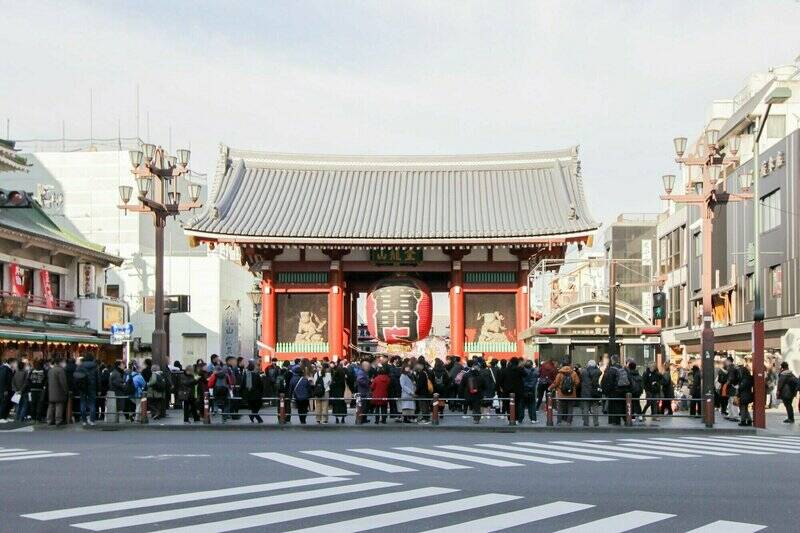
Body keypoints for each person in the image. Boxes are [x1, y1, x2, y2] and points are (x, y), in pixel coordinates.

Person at [549, 360, 579, 425]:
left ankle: (559, 421)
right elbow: (577, 382)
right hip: (571, 394)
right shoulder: (573, 373)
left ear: (562, 365)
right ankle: (569, 422)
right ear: (569, 365)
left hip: (561, 394)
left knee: (560, 408)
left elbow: (556, 383)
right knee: (570, 408)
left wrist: (550, 388)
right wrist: (573, 387)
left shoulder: (560, 373)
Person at [602, 356, 628, 425]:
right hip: (623, 390)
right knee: (622, 406)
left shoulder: (612, 369)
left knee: (615, 407)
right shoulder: (622, 368)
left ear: (612, 360)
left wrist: (606, 391)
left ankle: (617, 421)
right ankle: (626, 420)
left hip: (614, 391)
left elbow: (609, 382)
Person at [75, 354, 100, 426]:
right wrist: (99, 389)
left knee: (83, 403)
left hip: (82, 387)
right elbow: (98, 379)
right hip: (92, 387)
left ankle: (84, 421)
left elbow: (77, 377)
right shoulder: (95, 366)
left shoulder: (80, 366)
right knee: (92, 403)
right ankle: (92, 420)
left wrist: (77, 387)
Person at [502, 357, 526, 424]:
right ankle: (516, 419)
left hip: (507, 390)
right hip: (518, 391)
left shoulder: (505, 370)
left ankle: (510, 418)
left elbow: (501, 380)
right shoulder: (519, 369)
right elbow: (525, 374)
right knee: (517, 405)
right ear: (517, 362)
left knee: (508, 405)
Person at [579, 359, 601, 427]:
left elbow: (580, 380)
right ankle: (596, 422)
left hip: (586, 392)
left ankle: (586, 423)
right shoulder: (597, 371)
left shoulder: (583, 372)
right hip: (594, 392)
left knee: (585, 408)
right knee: (595, 408)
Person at [521, 359, 539, 424]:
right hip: (531, 391)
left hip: (523, 390)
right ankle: (533, 419)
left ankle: (520, 419)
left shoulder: (522, 371)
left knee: (521, 406)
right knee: (532, 405)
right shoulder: (535, 371)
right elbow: (535, 381)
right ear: (531, 365)